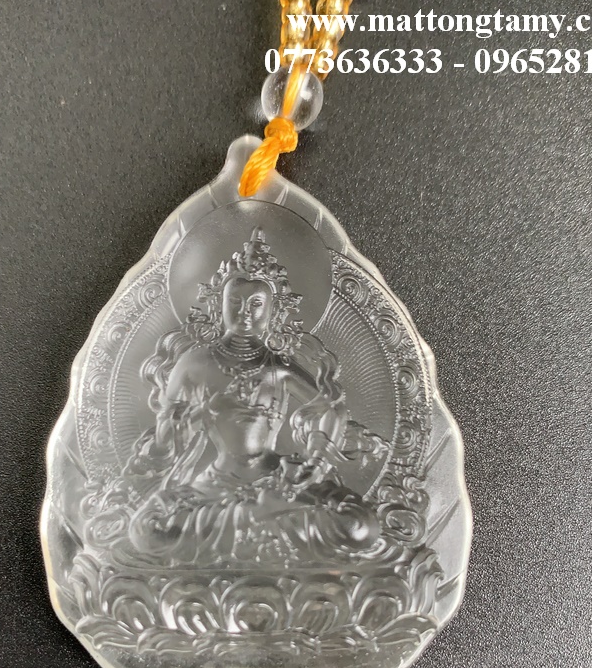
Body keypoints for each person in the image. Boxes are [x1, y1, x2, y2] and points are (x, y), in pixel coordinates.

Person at [119, 228, 389, 563]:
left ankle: (253, 521)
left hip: (279, 481)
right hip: (216, 485)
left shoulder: (279, 367)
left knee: (360, 526)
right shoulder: (195, 364)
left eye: (256, 304)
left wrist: (315, 464)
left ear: (274, 311)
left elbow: (330, 406)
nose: (244, 312)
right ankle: (263, 519)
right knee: (148, 531)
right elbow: (166, 439)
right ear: (218, 306)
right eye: (234, 302)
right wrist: (192, 417)